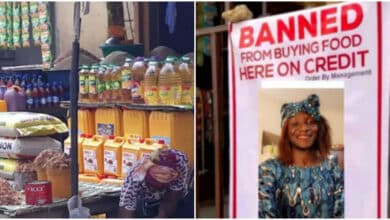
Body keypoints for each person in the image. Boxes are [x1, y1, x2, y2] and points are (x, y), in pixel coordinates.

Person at [258, 94, 344, 218]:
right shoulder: (268, 171)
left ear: (320, 128)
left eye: (311, 122)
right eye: (295, 124)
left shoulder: (334, 171)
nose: (304, 128)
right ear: (286, 131)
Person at [118, 148, 192, 218]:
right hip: (144, 200)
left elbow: (171, 200)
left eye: (161, 186)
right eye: (154, 185)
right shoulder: (134, 176)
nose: (157, 189)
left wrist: (161, 217)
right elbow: (126, 209)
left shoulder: (180, 164)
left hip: (174, 197)